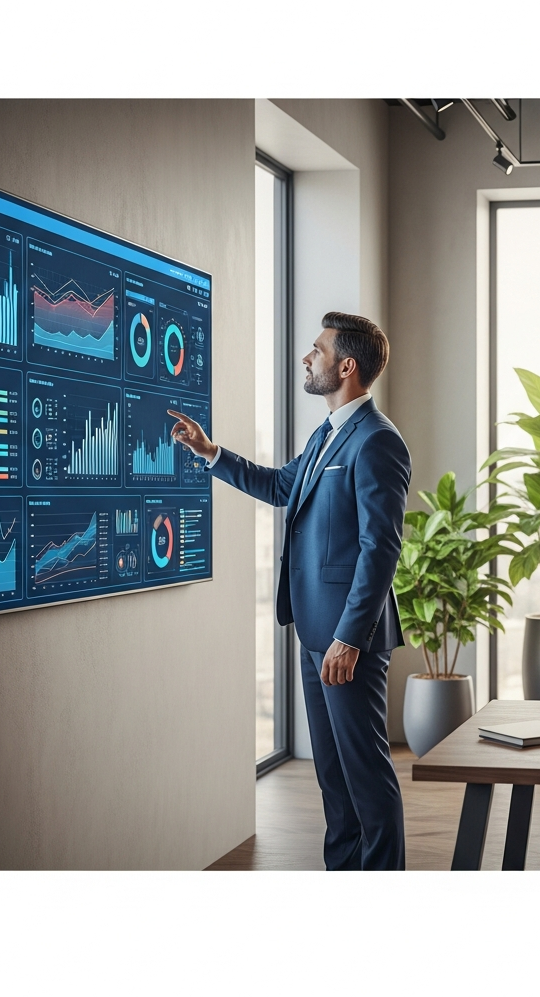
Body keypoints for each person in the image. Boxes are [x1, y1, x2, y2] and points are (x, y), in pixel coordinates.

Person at [169, 312, 410, 871]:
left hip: (347, 641)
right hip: (312, 631)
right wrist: (211, 453)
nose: (307, 358)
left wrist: (349, 639)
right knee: (333, 776)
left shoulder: (377, 442)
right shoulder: (326, 435)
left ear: (346, 366)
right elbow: (282, 485)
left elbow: (381, 549)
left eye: (317, 350)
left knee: (365, 775)